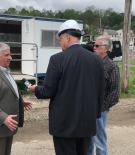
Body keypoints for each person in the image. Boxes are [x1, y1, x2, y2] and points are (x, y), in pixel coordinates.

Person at [29, 20, 105, 155]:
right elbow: (100, 91)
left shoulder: (57, 59)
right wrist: (96, 115)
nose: (60, 42)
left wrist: (35, 89)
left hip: (64, 124)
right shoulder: (96, 59)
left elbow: (48, 91)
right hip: (87, 123)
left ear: (68, 37)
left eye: (60, 39)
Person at [0, 42, 32, 155]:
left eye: (10, 54)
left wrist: (20, 102)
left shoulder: (5, 71)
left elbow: (7, 91)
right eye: (6, 55)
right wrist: (4, 118)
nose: (10, 58)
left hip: (7, 126)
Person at [87, 36, 120, 155]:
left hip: (99, 111)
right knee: (88, 141)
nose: (93, 48)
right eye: (94, 45)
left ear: (105, 48)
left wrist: (100, 109)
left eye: (97, 46)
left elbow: (115, 94)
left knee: (100, 142)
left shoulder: (111, 66)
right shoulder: (91, 63)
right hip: (87, 110)